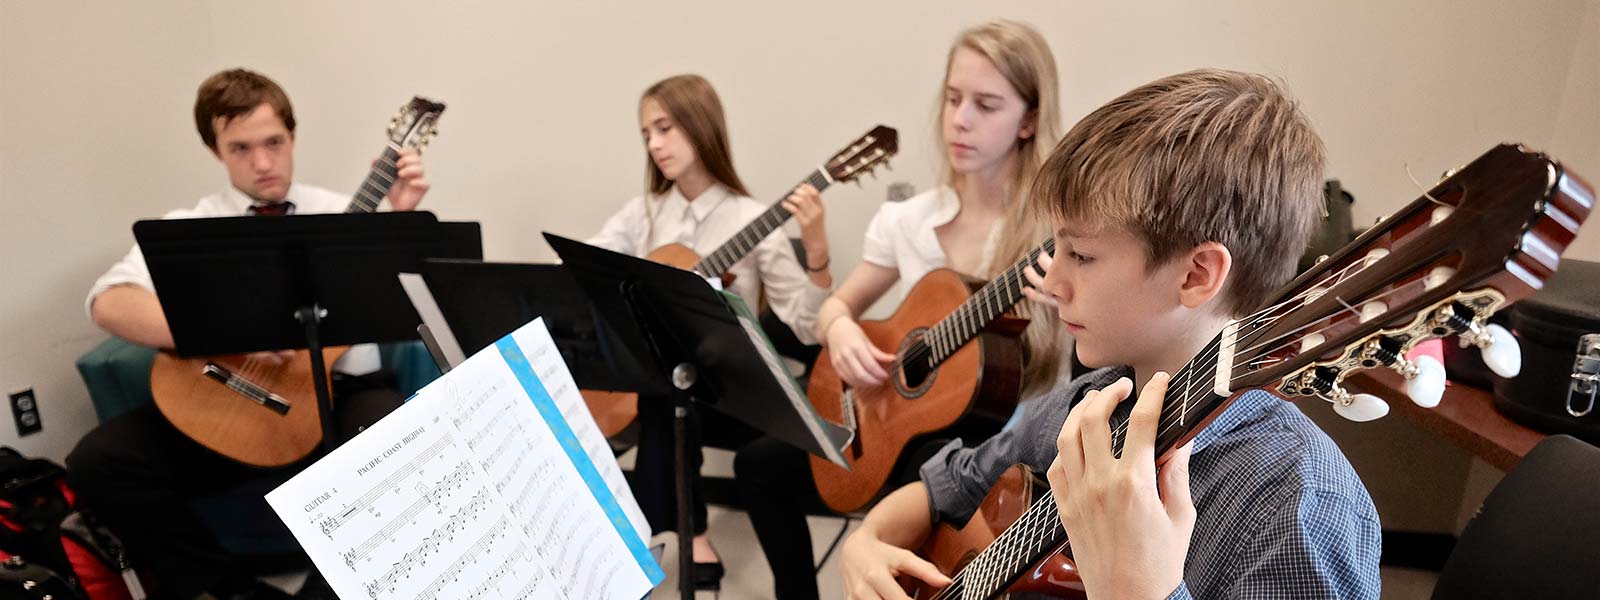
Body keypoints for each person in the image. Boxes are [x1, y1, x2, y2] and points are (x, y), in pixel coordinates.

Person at [838, 69, 1381, 600]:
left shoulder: (1298, 503)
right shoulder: (1088, 401)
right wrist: (867, 541)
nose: (1051, 281)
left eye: (1081, 255)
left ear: (1196, 275)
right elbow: (946, 489)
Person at [733, 20, 1072, 600]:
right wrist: (839, 329)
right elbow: (833, 308)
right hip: (895, 429)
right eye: (952, 98)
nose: (959, 120)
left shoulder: (1055, 233)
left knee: (937, 472)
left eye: (986, 105)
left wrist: (1069, 297)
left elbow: (1082, 368)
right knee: (759, 468)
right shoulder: (906, 220)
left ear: (1030, 121)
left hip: (1000, 451)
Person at [66, 68, 431, 600]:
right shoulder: (192, 227)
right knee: (99, 460)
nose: (262, 163)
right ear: (215, 151)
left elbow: (418, 302)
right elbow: (109, 303)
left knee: (395, 439)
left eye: (273, 143)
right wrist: (229, 332)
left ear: (293, 136)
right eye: (240, 148)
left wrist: (401, 223)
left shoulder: (342, 213)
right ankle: (230, 591)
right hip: (235, 393)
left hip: (342, 393)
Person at [585, 73, 834, 590]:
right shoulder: (645, 214)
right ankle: (685, 532)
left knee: (670, 393)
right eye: (646, 134)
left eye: (664, 127)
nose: (653, 144)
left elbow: (808, 325)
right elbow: (588, 267)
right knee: (666, 392)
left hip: (735, 395)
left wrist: (816, 251)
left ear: (700, 127)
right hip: (672, 392)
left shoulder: (751, 217)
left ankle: (665, 535)